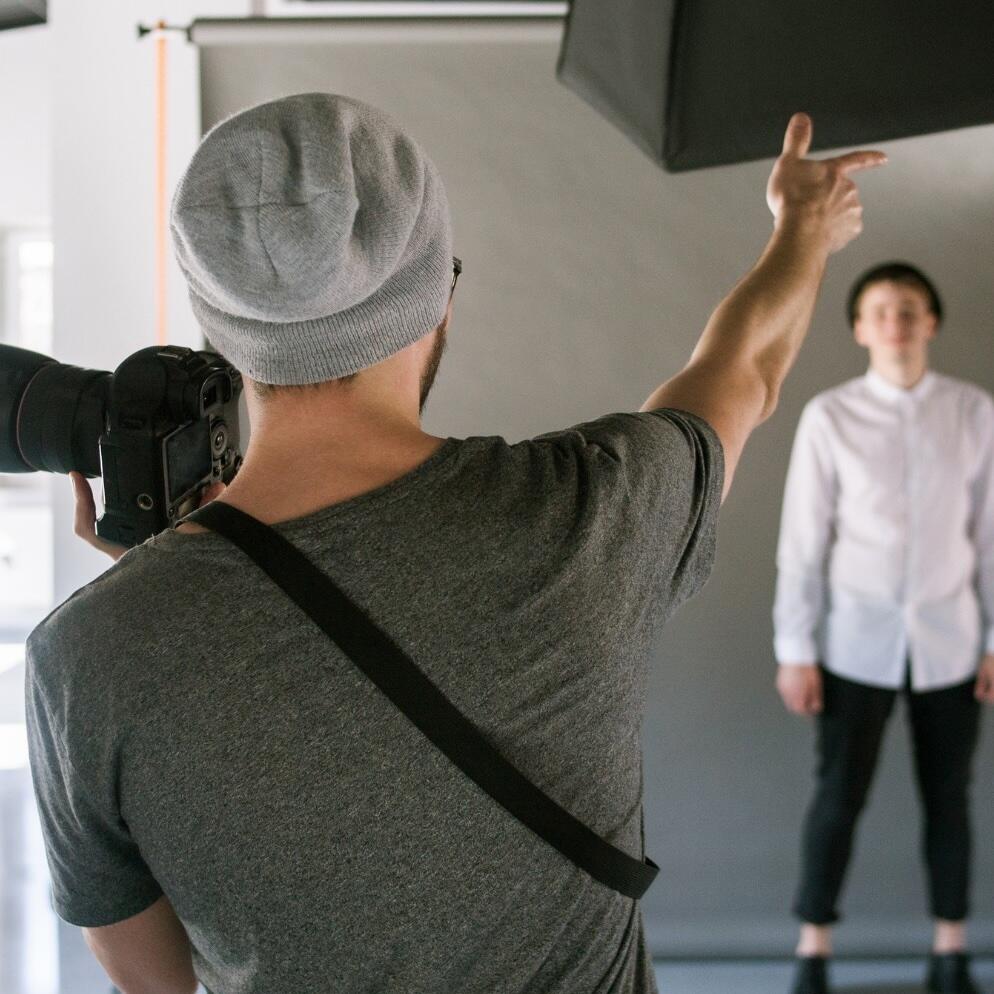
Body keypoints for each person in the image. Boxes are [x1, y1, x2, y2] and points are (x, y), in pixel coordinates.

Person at [26, 93, 884, 994]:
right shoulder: (591, 515)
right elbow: (744, 368)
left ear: (221, 324)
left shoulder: (82, 658)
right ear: (437, 296)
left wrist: (166, 602)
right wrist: (804, 229)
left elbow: (152, 981)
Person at [774, 261, 994, 994]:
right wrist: (795, 649)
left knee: (950, 797)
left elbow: (992, 535)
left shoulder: (973, 412)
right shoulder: (831, 417)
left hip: (952, 642)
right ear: (860, 328)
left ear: (930, 321)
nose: (895, 322)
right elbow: (804, 543)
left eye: (909, 309)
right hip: (853, 644)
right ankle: (813, 949)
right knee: (838, 795)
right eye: (880, 311)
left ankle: (951, 950)